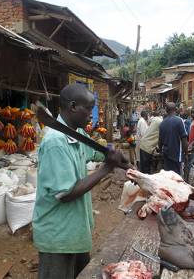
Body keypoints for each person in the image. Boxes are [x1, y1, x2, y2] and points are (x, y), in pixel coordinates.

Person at [33, 84, 126, 279]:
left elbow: (94, 152)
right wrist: (107, 168)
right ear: (73, 106)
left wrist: (111, 152)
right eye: (89, 108)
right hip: (58, 237)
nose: (92, 114)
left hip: (75, 232)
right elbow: (66, 194)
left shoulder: (76, 134)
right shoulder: (56, 143)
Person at [158, 102, 188, 175]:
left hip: (166, 154)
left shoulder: (162, 123)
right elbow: (184, 139)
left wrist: (160, 151)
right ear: (176, 109)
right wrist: (186, 154)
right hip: (176, 155)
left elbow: (160, 142)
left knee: (168, 176)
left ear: (166, 110)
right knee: (176, 177)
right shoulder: (179, 121)